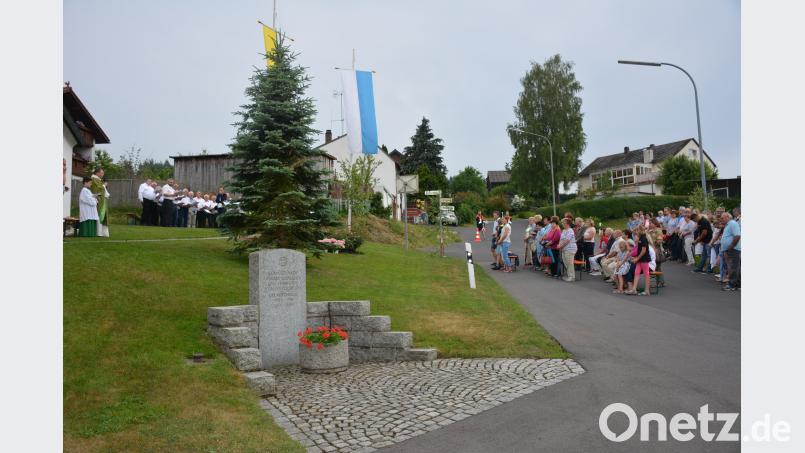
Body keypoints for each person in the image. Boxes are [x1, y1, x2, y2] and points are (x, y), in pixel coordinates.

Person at [626, 225, 652, 296]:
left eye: (636, 230)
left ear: (639, 230)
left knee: (646, 274)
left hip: (644, 259)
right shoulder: (640, 238)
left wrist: (637, 258)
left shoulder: (643, 238)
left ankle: (647, 290)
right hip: (640, 259)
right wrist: (636, 258)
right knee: (636, 272)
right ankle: (634, 289)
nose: (635, 232)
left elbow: (643, 251)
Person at [720, 212, 741, 291]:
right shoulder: (729, 224)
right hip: (730, 249)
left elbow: (737, 235)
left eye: (722, 218)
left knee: (733, 267)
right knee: (735, 267)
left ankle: (731, 284)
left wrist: (731, 246)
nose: (721, 219)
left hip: (733, 249)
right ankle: (737, 284)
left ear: (728, 217)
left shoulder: (732, 223)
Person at [90, 168, 109, 237]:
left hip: (102, 199)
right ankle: (99, 232)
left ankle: (103, 233)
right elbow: (97, 189)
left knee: (103, 216)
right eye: (102, 173)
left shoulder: (97, 179)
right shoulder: (94, 179)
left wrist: (104, 185)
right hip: (98, 200)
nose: (103, 174)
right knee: (100, 215)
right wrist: (104, 185)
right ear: (97, 173)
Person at [558, 218, 578, 282]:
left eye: (563, 222)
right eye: (562, 222)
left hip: (570, 249)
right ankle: (569, 275)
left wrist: (560, 246)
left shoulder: (570, 230)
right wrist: (559, 245)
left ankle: (572, 277)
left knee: (569, 263)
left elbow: (567, 241)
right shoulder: (564, 230)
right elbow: (561, 239)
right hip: (564, 249)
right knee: (566, 263)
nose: (562, 224)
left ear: (567, 223)